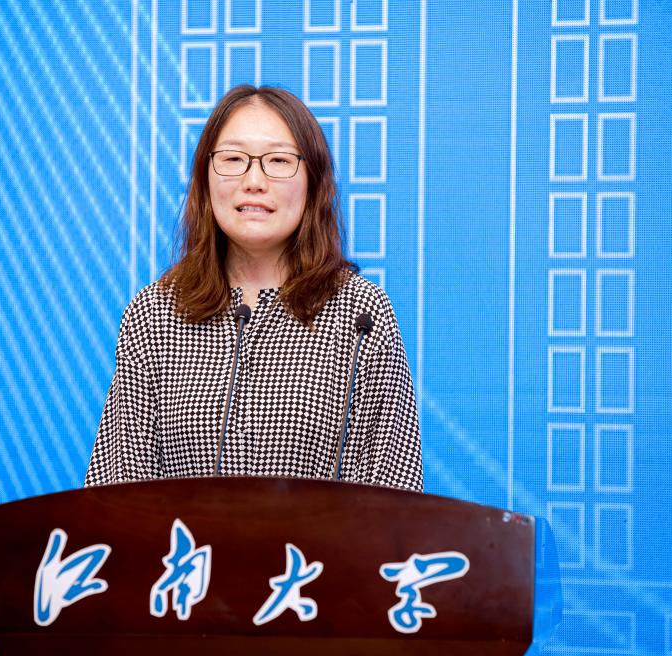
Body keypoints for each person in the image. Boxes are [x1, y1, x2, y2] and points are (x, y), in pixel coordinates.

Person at [84, 85, 422, 491]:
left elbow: (393, 498)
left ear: (314, 183)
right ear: (205, 178)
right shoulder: (155, 314)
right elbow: (118, 492)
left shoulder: (360, 313)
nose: (254, 181)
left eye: (279, 161)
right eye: (233, 159)